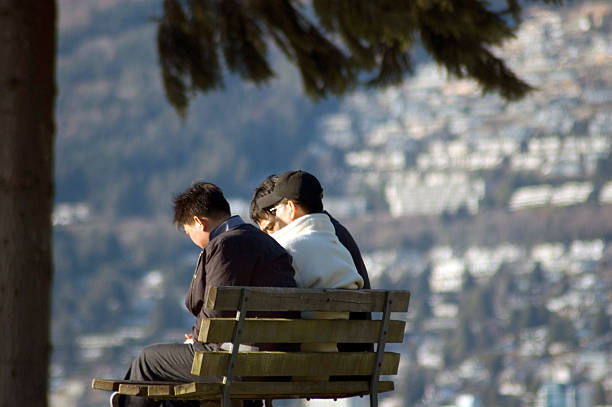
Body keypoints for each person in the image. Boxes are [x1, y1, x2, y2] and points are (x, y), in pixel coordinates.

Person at [112, 182, 297, 407]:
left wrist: (197, 339)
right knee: (177, 398)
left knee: (147, 361)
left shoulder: (224, 245)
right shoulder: (269, 244)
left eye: (189, 231)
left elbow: (217, 311)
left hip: (240, 365)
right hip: (280, 364)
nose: (192, 239)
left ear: (199, 222)